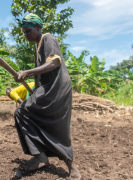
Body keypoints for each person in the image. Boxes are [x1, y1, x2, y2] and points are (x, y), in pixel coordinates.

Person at [13, 13, 81, 179]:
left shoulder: (48, 38)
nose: (26, 35)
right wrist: (36, 89)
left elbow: (54, 62)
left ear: (38, 27)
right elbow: (43, 74)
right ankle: (67, 167)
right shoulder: (38, 46)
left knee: (23, 112)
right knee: (52, 125)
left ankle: (41, 157)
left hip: (56, 89)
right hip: (49, 89)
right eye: (24, 33)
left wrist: (27, 72)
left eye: (29, 31)